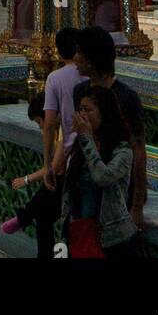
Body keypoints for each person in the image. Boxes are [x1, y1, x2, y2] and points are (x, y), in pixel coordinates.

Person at [74, 24, 147, 228]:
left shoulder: (126, 97)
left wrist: (137, 206)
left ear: (91, 59)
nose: (75, 58)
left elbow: (138, 150)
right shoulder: (79, 92)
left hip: (117, 189)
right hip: (85, 185)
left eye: (80, 52)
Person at [58, 83, 137, 258]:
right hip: (81, 233)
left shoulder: (122, 150)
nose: (83, 115)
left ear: (104, 113)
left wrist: (86, 139)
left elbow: (102, 177)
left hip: (112, 239)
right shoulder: (81, 147)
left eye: (88, 110)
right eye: (80, 110)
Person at [0, 93, 63, 259]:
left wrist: (27, 179)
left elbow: (55, 166)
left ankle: (23, 217)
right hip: (58, 184)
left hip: (71, 184)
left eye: (40, 122)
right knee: (42, 215)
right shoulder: (55, 132)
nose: (41, 127)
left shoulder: (66, 128)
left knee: (49, 191)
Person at [42, 26, 85, 192]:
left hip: (71, 154)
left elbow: (49, 124)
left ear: (58, 51)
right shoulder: (90, 72)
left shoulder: (55, 78)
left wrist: (48, 164)